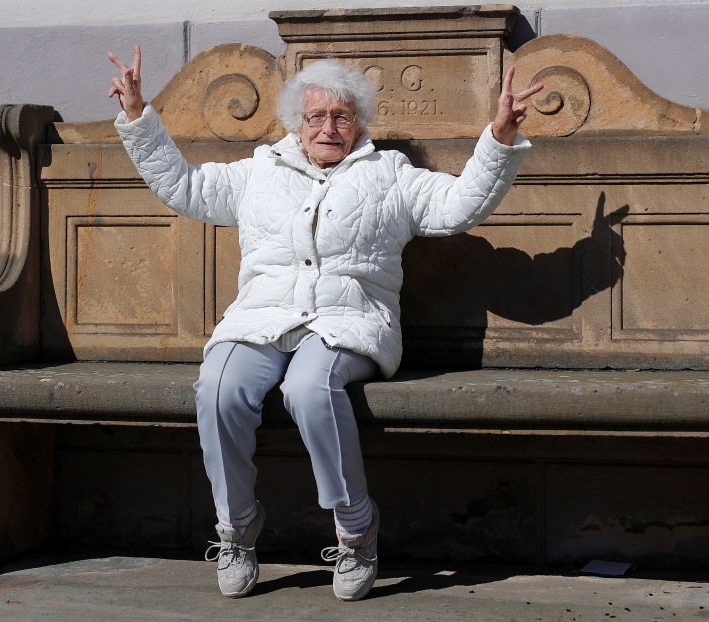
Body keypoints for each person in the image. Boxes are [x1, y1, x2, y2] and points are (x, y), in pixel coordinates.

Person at [108, 44, 542, 601]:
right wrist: (138, 117)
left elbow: (459, 205)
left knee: (309, 388)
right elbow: (185, 188)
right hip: (262, 319)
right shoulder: (260, 171)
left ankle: (356, 529)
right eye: (316, 116)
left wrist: (499, 137)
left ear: (359, 122)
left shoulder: (390, 174)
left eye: (341, 116)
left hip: (348, 321)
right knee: (219, 387)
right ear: (297, 123)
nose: (328, 127)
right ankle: (237, 529)